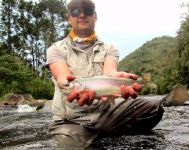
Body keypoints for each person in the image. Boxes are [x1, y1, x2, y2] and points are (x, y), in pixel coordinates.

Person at [46, 0, 164, 149]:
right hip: (70, 121)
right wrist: (66, 84)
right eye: (76, 11)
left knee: (153, 107)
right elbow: (62, 77)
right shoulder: (55, 49)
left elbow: (110, 72)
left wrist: (118, 79)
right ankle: (99, 137)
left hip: (105, 113)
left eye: (87, 11)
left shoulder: (110, 48)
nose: (82, 15)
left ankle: (109, 134)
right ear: (69, 18)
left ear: (95, 16)